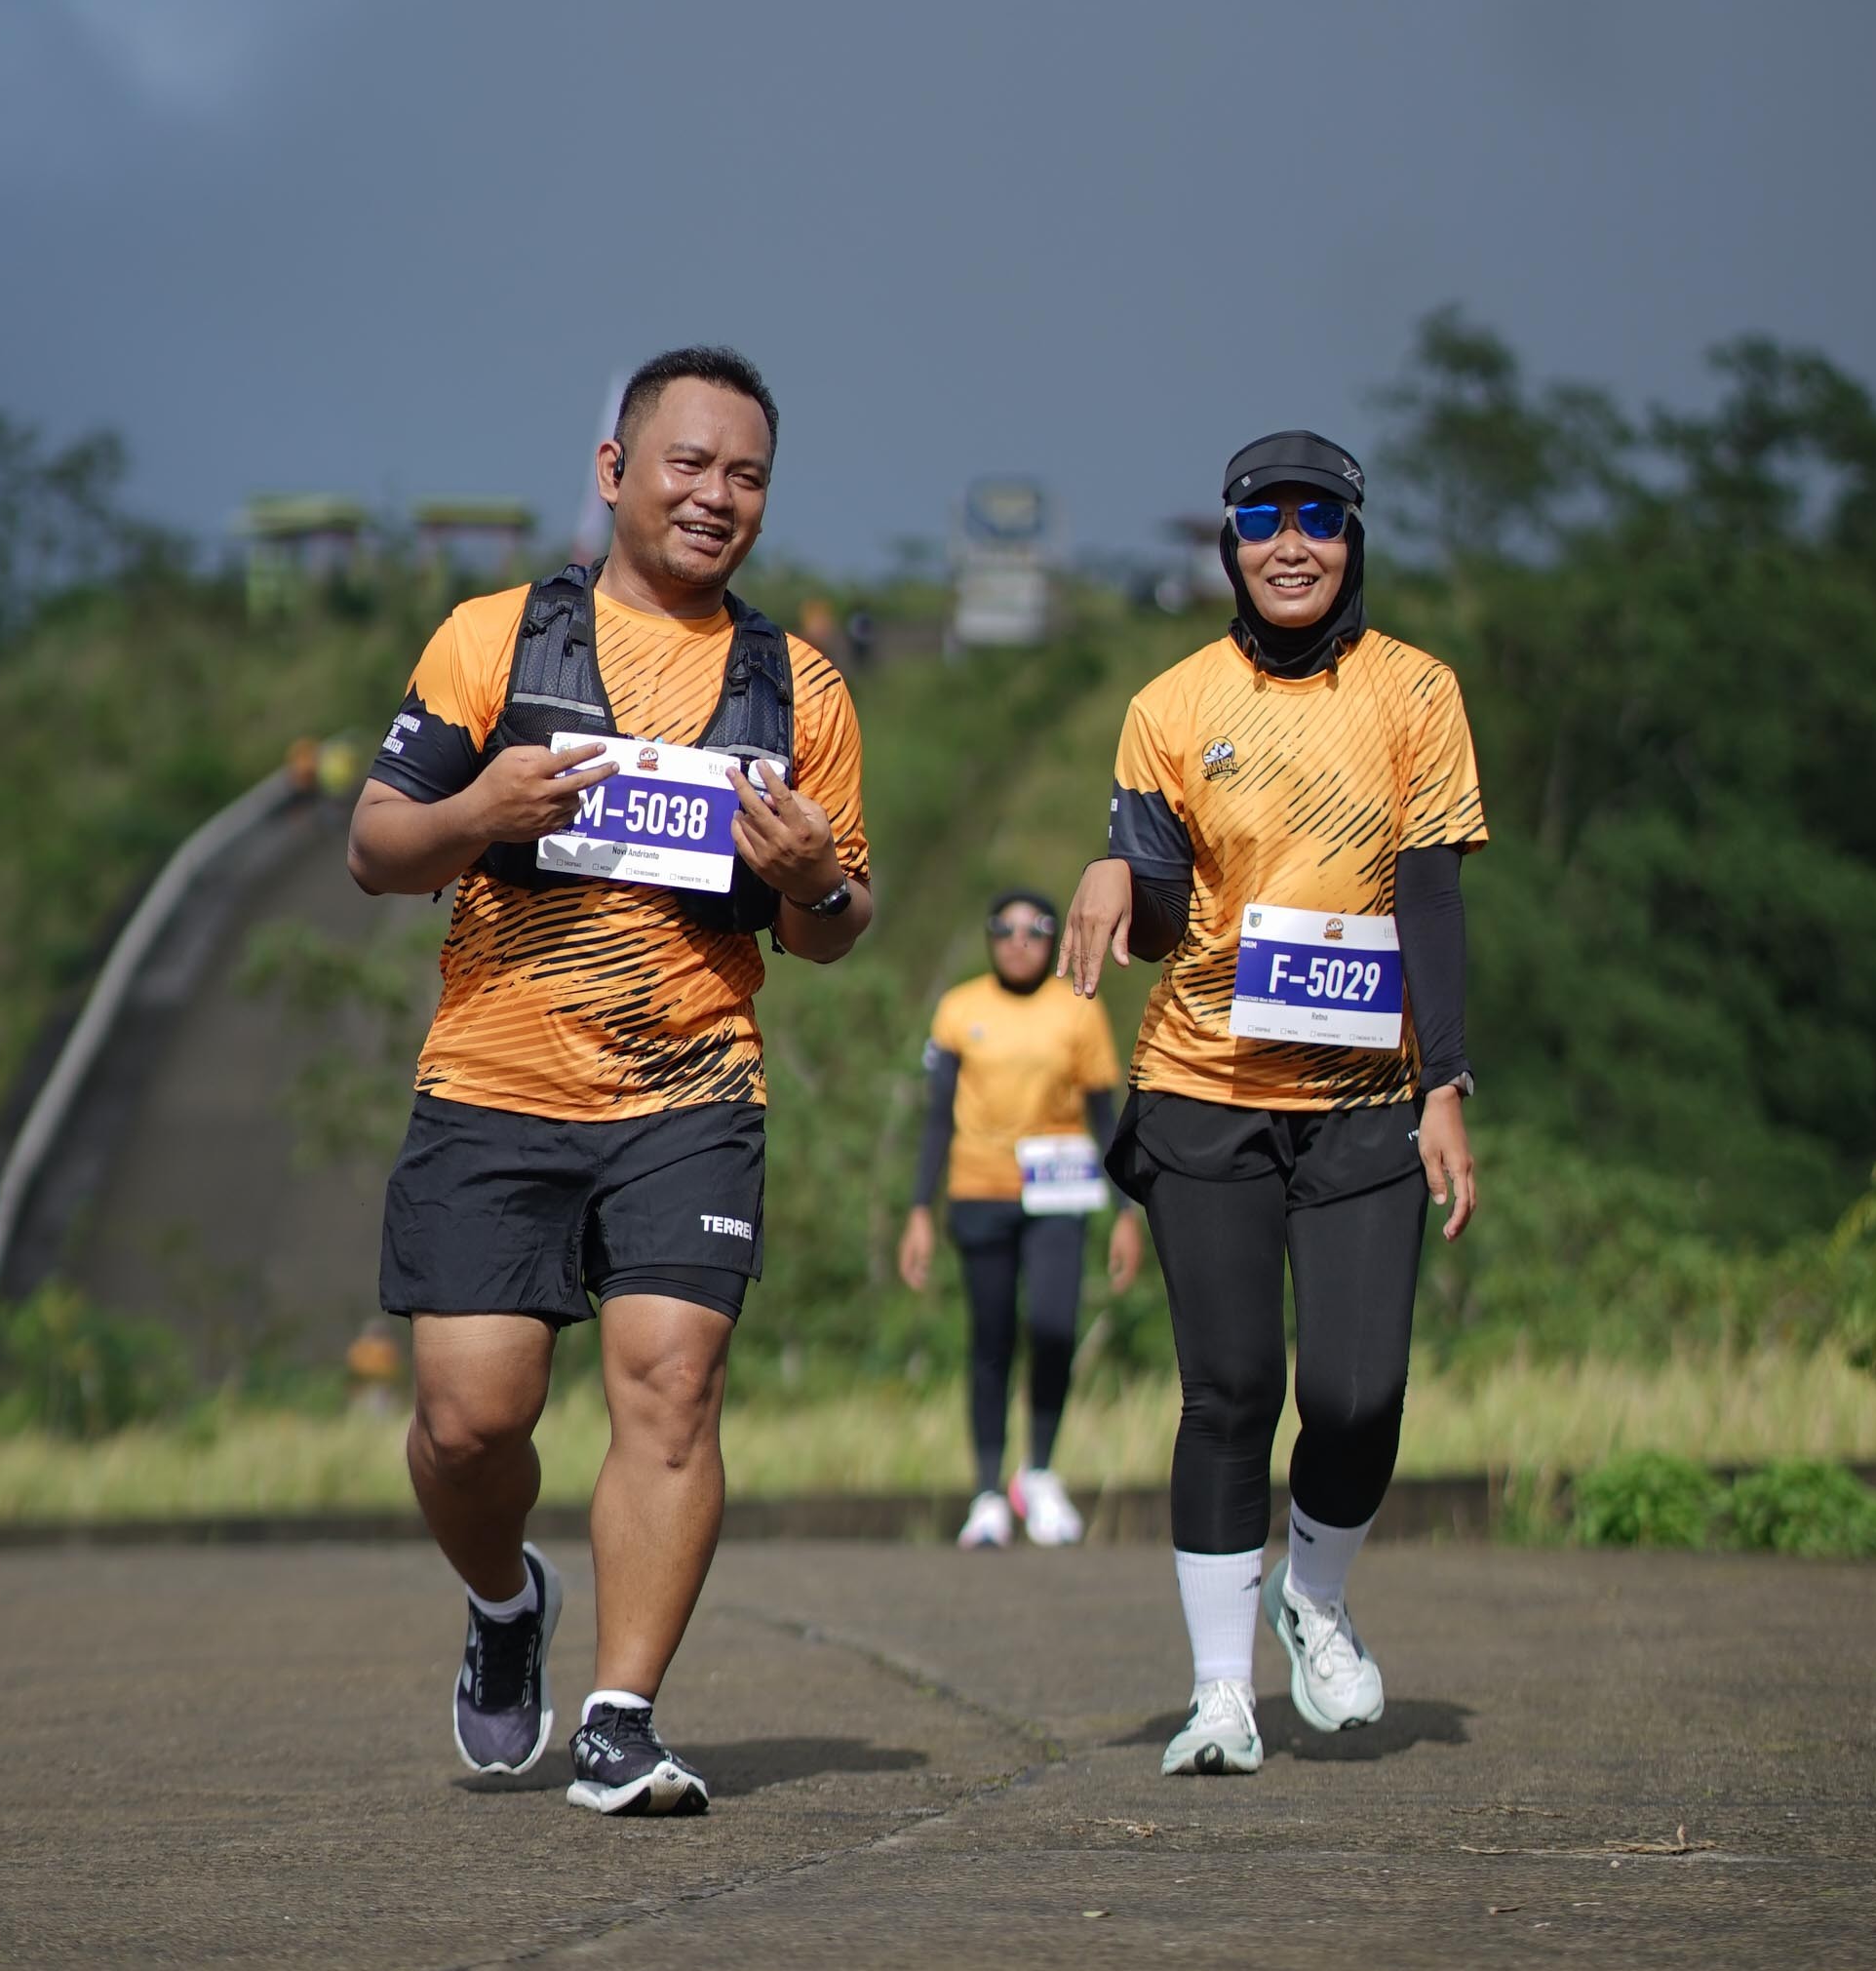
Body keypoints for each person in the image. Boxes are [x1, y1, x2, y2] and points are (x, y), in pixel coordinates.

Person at [348, 345, 872, 1815]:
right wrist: (478, 807)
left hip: (691, 1091)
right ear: (615, 472)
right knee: (469, 1423)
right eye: (689, 464)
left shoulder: (800, 688)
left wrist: (815, 881)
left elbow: (834, 928)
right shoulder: (495, 640)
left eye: (747, 476)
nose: (717, 497)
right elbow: (375, 847)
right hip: (495, 1080)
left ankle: (620, 1721)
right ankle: (506, 1600)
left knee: (673, 1390)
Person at [1057, 431, 1484, 1777]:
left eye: (1317, 520)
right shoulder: (1170, 705)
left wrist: (1445, 1083)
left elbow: (1430, 900)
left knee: (1357, 1396)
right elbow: (1158, 910)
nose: (1289, 545)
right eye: (1261, 521)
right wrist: (1111, 874)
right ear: (1228, 543)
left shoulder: (1416, 692)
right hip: (1206, 1088)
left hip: (1365, 1098)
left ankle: (1314, 1594)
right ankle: (1219, 1696)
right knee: (1229, 1389)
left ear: (1352, 539)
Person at [897, 890, 1143, 1547]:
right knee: (992, 1336)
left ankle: (1038, 1473)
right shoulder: (961, 1008)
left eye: (1034, 930)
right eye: (1003, 930)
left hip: (1059, 1190)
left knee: (1055, 1326)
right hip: (980, 1188)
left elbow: (1104, 1115)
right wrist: (919, 1210)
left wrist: (1127, 1209)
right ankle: (987, 1491)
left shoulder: (1077, 1008)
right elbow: (937, 1118)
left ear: (1054, 938)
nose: (1018, 942)